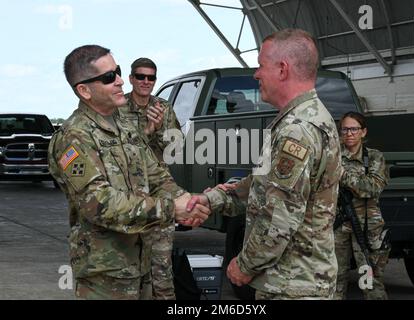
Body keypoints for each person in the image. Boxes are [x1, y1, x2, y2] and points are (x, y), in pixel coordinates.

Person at [187, 28, 342, 299]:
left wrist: (245, 265)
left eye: (260, 66)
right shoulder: (299, 119)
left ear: (282, 70)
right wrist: (211, 201)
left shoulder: (298, 129)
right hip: (294, 281)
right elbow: (263, 184)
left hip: (293, 285)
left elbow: (279, 219)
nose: (256, 74)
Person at [48, 45, 209, 300]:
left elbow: (157, 177)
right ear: (84, 90)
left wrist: (189, 202)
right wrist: (170, 209)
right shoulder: (73, 138)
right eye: (109, 77)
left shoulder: (125, 127)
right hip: (106, 275)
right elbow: (98, 203)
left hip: (142, 263)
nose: (121, 81)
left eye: (119, 72)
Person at [118, 58, 183, 300]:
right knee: (128, 263)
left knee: (161, 263)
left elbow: (175, 150)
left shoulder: (163, 109)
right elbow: (117, 153)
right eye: (141, 76)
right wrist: (144, 132)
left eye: (151, 77)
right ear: (132, 78)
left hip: (158, 193)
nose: (146, 81)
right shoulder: (117, 108)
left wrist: (158, 132)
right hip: (127, 196)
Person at [333, 111, 390, 300]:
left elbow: (372, 188)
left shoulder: (374, 157)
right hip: (337, 227)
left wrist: (343, 176)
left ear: (363, 132)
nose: (349, 133)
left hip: (365, 228)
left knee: (369, 281)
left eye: (354, 129)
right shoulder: (332, 156)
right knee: (333, 280)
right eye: (345, 129)